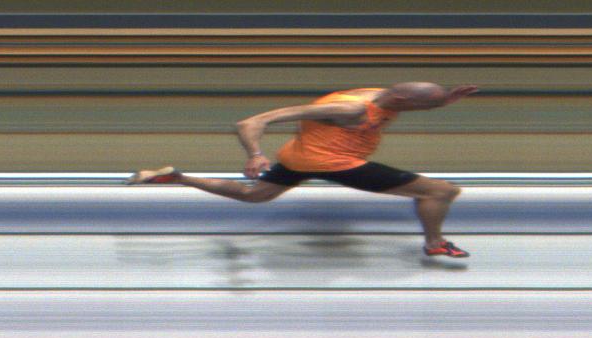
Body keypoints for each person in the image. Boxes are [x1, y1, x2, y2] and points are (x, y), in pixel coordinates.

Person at [126, 81, 480, 258]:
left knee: (254, 196)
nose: (427, 111)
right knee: (441, 191)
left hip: (301, 155)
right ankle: (434, 244)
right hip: (336, 164)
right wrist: (255, 154)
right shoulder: (350, 109)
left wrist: (443, 100)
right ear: (403, 101)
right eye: (427, 107)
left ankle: (177, 176)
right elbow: (252, 121)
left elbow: (415, 100)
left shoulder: (384, 95)